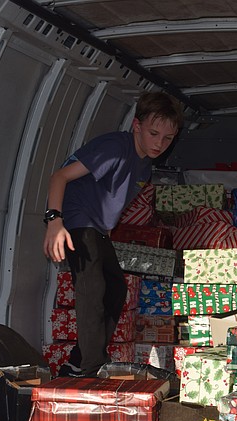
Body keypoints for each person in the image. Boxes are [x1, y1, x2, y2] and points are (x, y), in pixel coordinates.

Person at [42, 92, 183, 377]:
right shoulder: (114, 148)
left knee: (116, 289)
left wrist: (106, 231)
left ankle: (77, 361)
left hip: (96, 227)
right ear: (136, 126)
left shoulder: (145, 164)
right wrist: (54, 222)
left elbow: (111, 199)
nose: (159, 143)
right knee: (92, 288)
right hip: (74, 218)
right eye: (154, 133)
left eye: (168, 138)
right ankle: (92, 366)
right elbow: (59, 177)